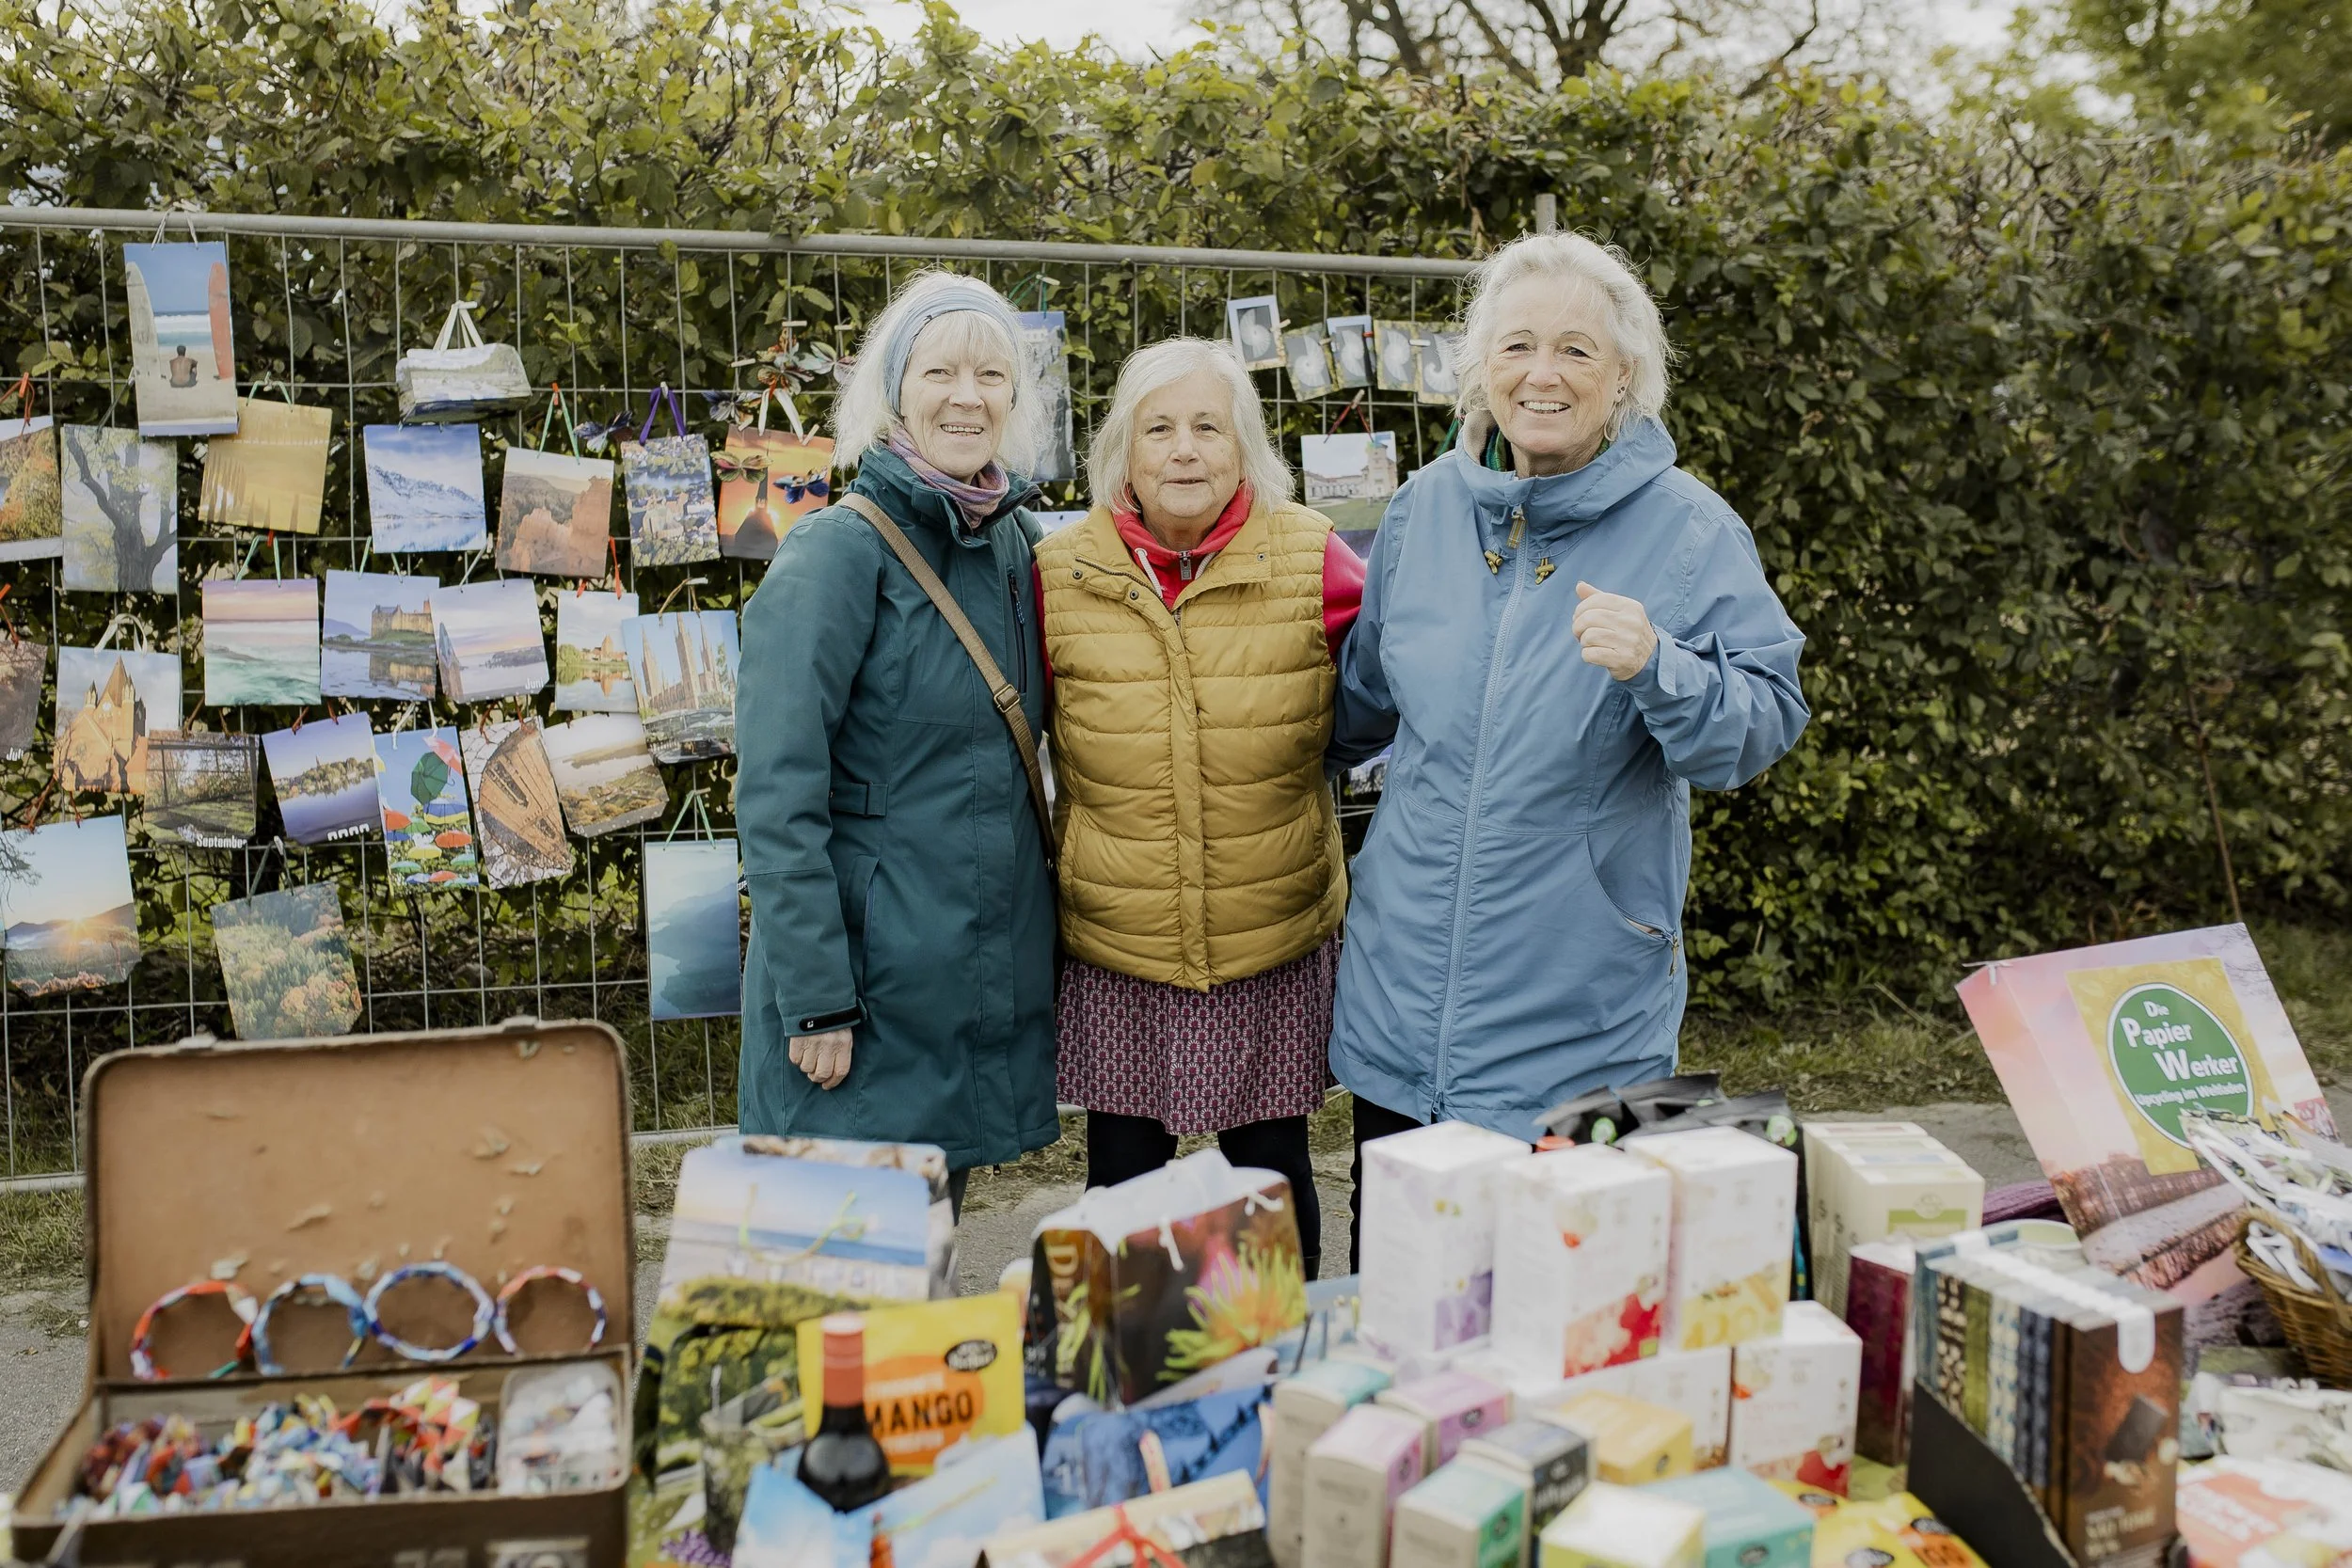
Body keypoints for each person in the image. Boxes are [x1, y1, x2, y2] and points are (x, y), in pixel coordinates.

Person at [1328, 232, 1810, 1259]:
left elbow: (1760, 723)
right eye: (1516, 347)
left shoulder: (1689, 532)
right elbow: (1359, 701)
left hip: (1578, 1033)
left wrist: (1659, 666)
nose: (1541, 374)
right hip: (1399, 1018)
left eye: (1576, 351)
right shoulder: (1419, 512)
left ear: (1624, 375)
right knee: (1399, 1327)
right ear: (1480, 368)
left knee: (1562, 1344)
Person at [1035, 338, 1366, 1279]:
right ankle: (1125, 1386)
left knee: (1270, 1177)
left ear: (1245, 446)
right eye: (1159, 427)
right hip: (1120, 940)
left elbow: (1384, 694)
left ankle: (1282, 1366)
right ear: (1124, 453)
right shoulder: (1060, 572)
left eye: (1207, 426)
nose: (1184, 450)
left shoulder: (1314, 557)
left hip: (1268, 933)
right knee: (1122, 1188)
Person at [737, 271, 1057, 1212]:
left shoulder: (1017, 547)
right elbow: (774, 791)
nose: (968, 394)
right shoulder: (837, 552)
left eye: (992, 373)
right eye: (941, 370)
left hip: (956, 986)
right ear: (895, 389)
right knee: (832, 1300)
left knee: (915, 1288)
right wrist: (817, 996)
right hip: (858, 1000)